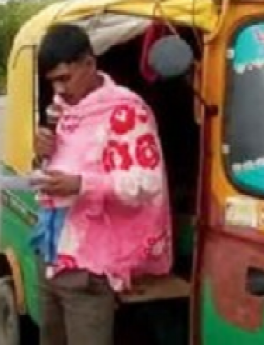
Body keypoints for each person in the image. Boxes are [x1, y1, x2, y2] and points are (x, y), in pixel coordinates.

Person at [30, 23, 172, 345]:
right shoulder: (63, 109)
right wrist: (41, 155)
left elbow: (146, 183)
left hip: (89, 263)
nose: (59, 88)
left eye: (65, 78)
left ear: (89, 64)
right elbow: (59, 169)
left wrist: (82, 185)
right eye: (52, 81)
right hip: (50, 250)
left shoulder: (125, 111)